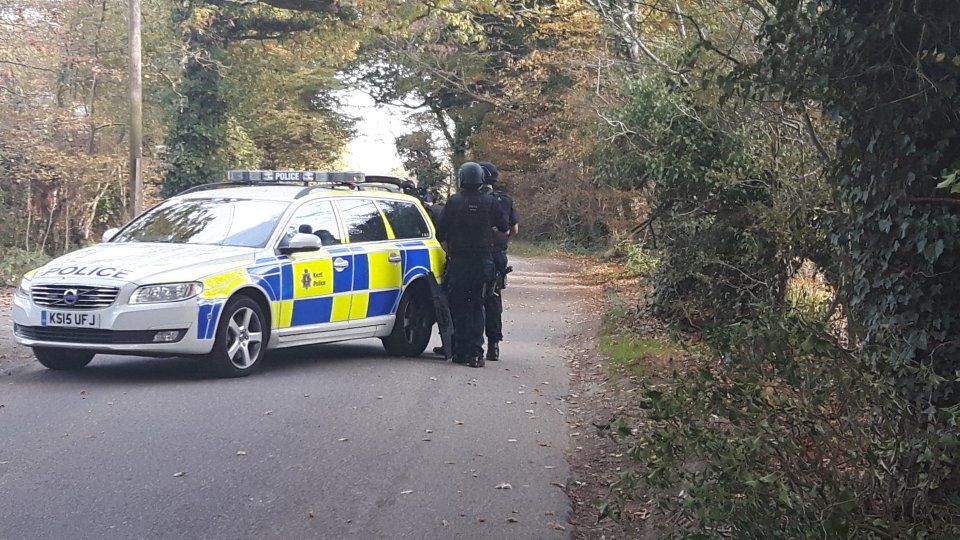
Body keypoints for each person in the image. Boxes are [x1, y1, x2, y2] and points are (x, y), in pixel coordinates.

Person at [436, 162, 509, 368]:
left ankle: (461, 351)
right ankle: (477, 353)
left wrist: (451, 252)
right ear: (481, 179)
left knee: (459, 306)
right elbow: (504, 227)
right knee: (477, 305)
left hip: (459, 262)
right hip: (483, 262)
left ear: (462, 178)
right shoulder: (491, 202)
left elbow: (440, 233)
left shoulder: (453, 202)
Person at [478, 161, 519, 362]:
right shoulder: (505, 199)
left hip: (476, 255)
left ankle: (470, 343)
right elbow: (514, 229)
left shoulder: (475, 199)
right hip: (498, 255)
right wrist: (501, 242)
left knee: (471, 298)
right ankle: (494, 345)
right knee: (493, 297)